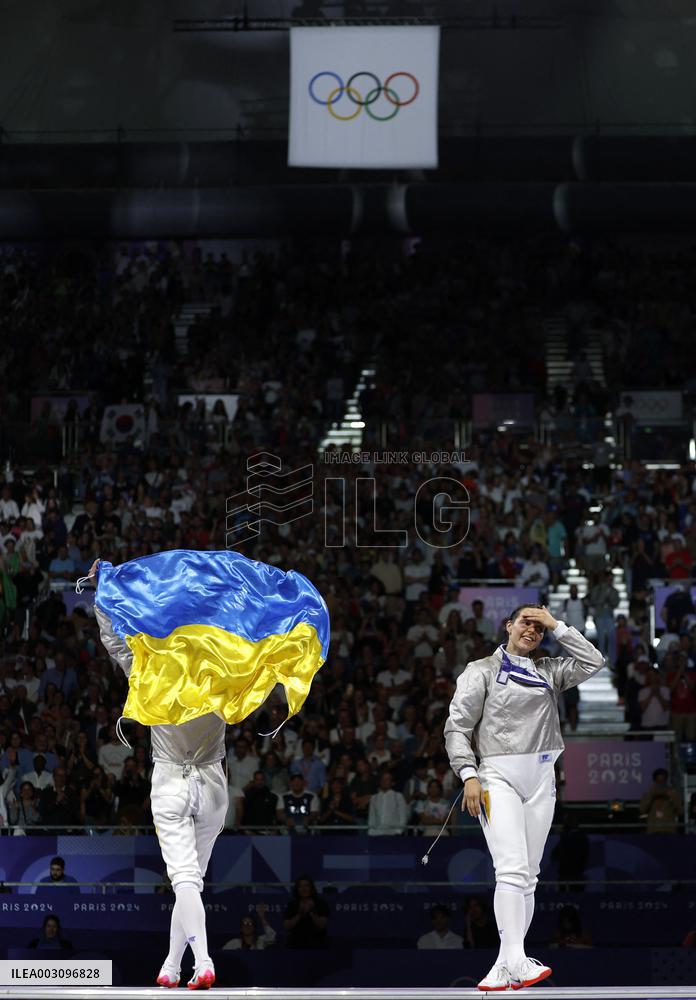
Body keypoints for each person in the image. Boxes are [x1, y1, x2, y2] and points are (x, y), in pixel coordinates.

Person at [444, 603, 604, 990]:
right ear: (508, 625)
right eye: (525, 623)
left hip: (541, 778)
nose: (532, 630)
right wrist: (468, 775)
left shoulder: (549, 670)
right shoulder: (480, 670)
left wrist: (558, 626)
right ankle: (516, 958)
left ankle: (504, 964)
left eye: (538, 626)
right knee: (512, 868)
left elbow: (594, 661)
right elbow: (457, 728)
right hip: (497, 777)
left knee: (528, 877)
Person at [90, 560, 226, 991]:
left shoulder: (150, 674)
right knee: (191, 885)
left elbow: (115, 643)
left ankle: (202, 961)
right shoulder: (225, 673)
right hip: (215, 786)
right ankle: (171, 966)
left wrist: (103, 591)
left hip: (170, 783)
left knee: (185, 879)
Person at [282, 875, 330, 949]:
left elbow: (322, 925)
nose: (303, 889)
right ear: (297, 889)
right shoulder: (292, 905)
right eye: (300, 886)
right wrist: (299, 914)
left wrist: (312, 912)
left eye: (306, 886)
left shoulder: (321, 904)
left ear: (311, 888)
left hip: (317, 944)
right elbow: (287, 926)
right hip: (295, 944)